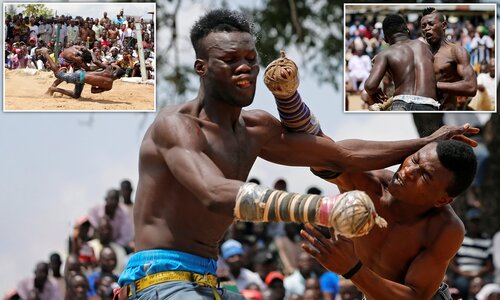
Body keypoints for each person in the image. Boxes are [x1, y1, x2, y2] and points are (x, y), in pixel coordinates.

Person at [116, 8, 477, 300]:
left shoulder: (255, 128)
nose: (245, 67)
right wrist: (323, 209)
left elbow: (332, 153)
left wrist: (430, 140)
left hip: (209, 281)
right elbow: (213, 194)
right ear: (202, 68)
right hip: (158, 279)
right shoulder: (175, 125)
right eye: (230, 60)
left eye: (250, 58)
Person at [300, 139, 478, 299]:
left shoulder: (445, 228)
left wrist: (351, 268)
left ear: (442, 200)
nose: (408, 171)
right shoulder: (369, 184)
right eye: (414, 159)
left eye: (424, 175)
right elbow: (325, 157)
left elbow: (415, 297)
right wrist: (426, 141)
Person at [364, 14, 439, 111]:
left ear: (385, 39)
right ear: (407, 29)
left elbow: (370, 86)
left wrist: (376, 91)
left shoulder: (385, 54)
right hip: (428, 104)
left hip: (401, 104)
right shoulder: (426, 47)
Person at [420, 7, 477, 110]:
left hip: (445, 112)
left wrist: (434, 85)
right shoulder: (420, 52)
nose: (427, 28)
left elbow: (471, 87)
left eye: (431, 24)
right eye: (423, 26)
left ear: (444, 25)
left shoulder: (456, 51)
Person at [40, 48, 125, 99]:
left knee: (76, 95)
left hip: (80, 75)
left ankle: (53, 89)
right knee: (58, 74)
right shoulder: (109, 86)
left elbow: (95, 61)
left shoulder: (108, 70)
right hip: (79, 75)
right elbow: (93, 91)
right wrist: (95, 82)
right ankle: (45, 53)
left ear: (114, 71)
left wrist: (91, 52)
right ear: (119, 78)